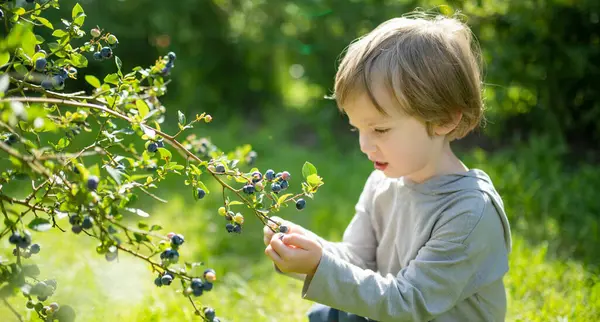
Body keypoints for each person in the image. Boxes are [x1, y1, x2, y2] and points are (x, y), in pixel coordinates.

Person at [263, 10, 512, 322]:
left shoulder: (469, 212)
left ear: (445, 119)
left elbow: (409, 303)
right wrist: (310, 251)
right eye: (358, 129)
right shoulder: (382, 184)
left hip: (408, 313)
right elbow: (357, 262)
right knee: (327, 315)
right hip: (389, 312)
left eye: (379, 130)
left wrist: (319, 267)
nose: (364, 146)